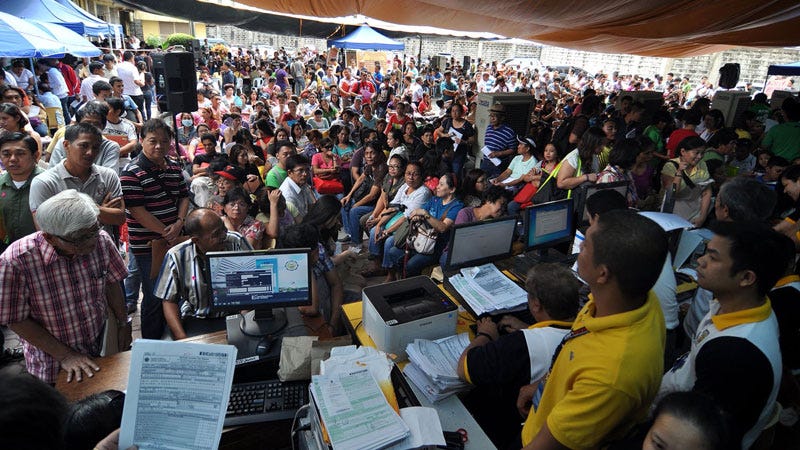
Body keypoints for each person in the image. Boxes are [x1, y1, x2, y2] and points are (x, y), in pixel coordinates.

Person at [519, 210, 668, 449]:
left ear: (603, 273)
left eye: (586, 245)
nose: (579, 248)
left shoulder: (611, 376)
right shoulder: (636, 301)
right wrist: (543, 388)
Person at [659, 221, 787, 450]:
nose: (700, 261)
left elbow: (697, 435)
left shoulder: (735, 356)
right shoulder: (735, 305)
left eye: (713, 257)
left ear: (746, 278)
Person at [0, 190, 130, 384]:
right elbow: (14, 320)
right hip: (52, 363)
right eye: (80, 238)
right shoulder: (15, 262)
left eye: (94, 230)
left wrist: (122, 323)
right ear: (50, 238)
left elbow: (112, 284)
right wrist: (66, 355)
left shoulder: (101, 240)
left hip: (102, 347)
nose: (91, 241)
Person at [457, 263, 580, 448]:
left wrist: (486, 334)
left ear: (536, 305)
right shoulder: (583, 332)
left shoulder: (522, 345)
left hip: (509, 429)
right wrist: (529, 328)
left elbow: (464, 368)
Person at [120, 119, 190, 340]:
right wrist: (167, 232)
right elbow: (137, 211)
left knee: (176, 291)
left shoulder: (174, 166)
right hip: (148, 246)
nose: (159, 146)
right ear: (141, 141)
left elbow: (184, 196)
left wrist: (179, 222)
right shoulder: (131, 172)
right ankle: (151, 343)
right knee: (154, 295)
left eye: (164, 141)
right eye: (153, 141)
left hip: (174, 240)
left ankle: (172, 336)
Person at [155, 208, 252, 340]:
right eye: (216, 234)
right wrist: (182, 339)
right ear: (196, 240)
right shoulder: (176, 256)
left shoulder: (236, 242)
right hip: (197, 317)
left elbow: (252, 286)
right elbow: (169, 301)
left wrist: (245, 321)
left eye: (223, 228)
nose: (224, 235)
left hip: (234, 315)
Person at [29, 123, 125, 232]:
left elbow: (119, 218)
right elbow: (46, 229)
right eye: (84, 146)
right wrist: (98, 210)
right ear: (66, 145)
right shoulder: (44, 182)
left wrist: (66, 213)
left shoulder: (108, 176)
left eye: (95, 147)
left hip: (102, 242)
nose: (90, 152)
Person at [385, 173, 463, 280]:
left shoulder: (456, 206)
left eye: (441, 184)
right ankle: (402, 278)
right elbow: (417, 212)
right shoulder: (435, 200)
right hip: (420, 239)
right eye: (438, 184)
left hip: (435, 247)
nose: (437, 187)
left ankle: (412, 284)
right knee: (393, 252)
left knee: (411, 265)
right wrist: (417, 216)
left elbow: (443, 227)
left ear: (452, 189)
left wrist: (425, 215)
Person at [278, 223, 344, 334]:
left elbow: (336, 284)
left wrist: (333, 324)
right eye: (314, 253)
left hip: (324, 310)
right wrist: (307, 266)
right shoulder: (283, 267)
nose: (318, 254)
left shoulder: (318, 250)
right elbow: (311, 309)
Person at [0, 132, 43, 253]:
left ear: (35, 156)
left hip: (42, 251)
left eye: (20, 153)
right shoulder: (1, 184)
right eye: (6, 154)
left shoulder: (47, 183)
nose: (13, 159)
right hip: (8, 250)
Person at [47, 101, 120, 170]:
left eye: (96, 124)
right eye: (86, 124)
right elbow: (52, 172)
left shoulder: (110, 147)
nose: (91, 128)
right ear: (77, 125)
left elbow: (109, 177)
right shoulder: (65, 142)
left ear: (103, 126)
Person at [660, 136, 712, 226]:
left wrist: (702, 216)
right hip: (673, 215)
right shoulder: (670, 166)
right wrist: (679, 172)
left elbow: (706, 192)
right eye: (696, 153)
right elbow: (672, 193)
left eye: (702, 153)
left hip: (695, 214)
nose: (700, 157)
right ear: (683, 151)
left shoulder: (702, 164)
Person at [279, 154, 316, 222]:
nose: (305, 174)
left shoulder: (302, 183)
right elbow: (295, 222)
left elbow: (312, 205)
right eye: (300, 170)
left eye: (307, 170)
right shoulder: (287, 195)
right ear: (290, 173)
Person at [761, 96, 800, 161]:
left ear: (784, 113)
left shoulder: (775, 129)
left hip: (777, 163)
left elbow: (764, 146)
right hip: (795, 165)